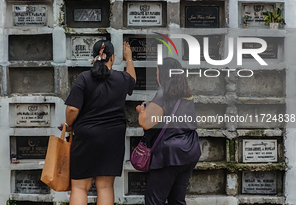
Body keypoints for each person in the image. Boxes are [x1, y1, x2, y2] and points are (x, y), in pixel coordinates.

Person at [63, 40, 136, 205]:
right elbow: (132, 79)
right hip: (113, 138)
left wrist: (69, 125)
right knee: (105, 186)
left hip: (87, 136)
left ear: (94, 57)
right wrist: (129, 58)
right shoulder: (122, 78)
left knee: (80, 187)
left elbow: (72, 109)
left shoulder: (84, 78)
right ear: (112, 58)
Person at [136, 57, 201, 205]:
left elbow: (146, 123)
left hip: (169, 154)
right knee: (177, 200)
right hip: (189, 150)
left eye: (158, 73)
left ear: (165, 74)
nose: (157, 77)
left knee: (154, 200)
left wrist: (141, 111)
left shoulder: (162, 94)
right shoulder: (187, 93)